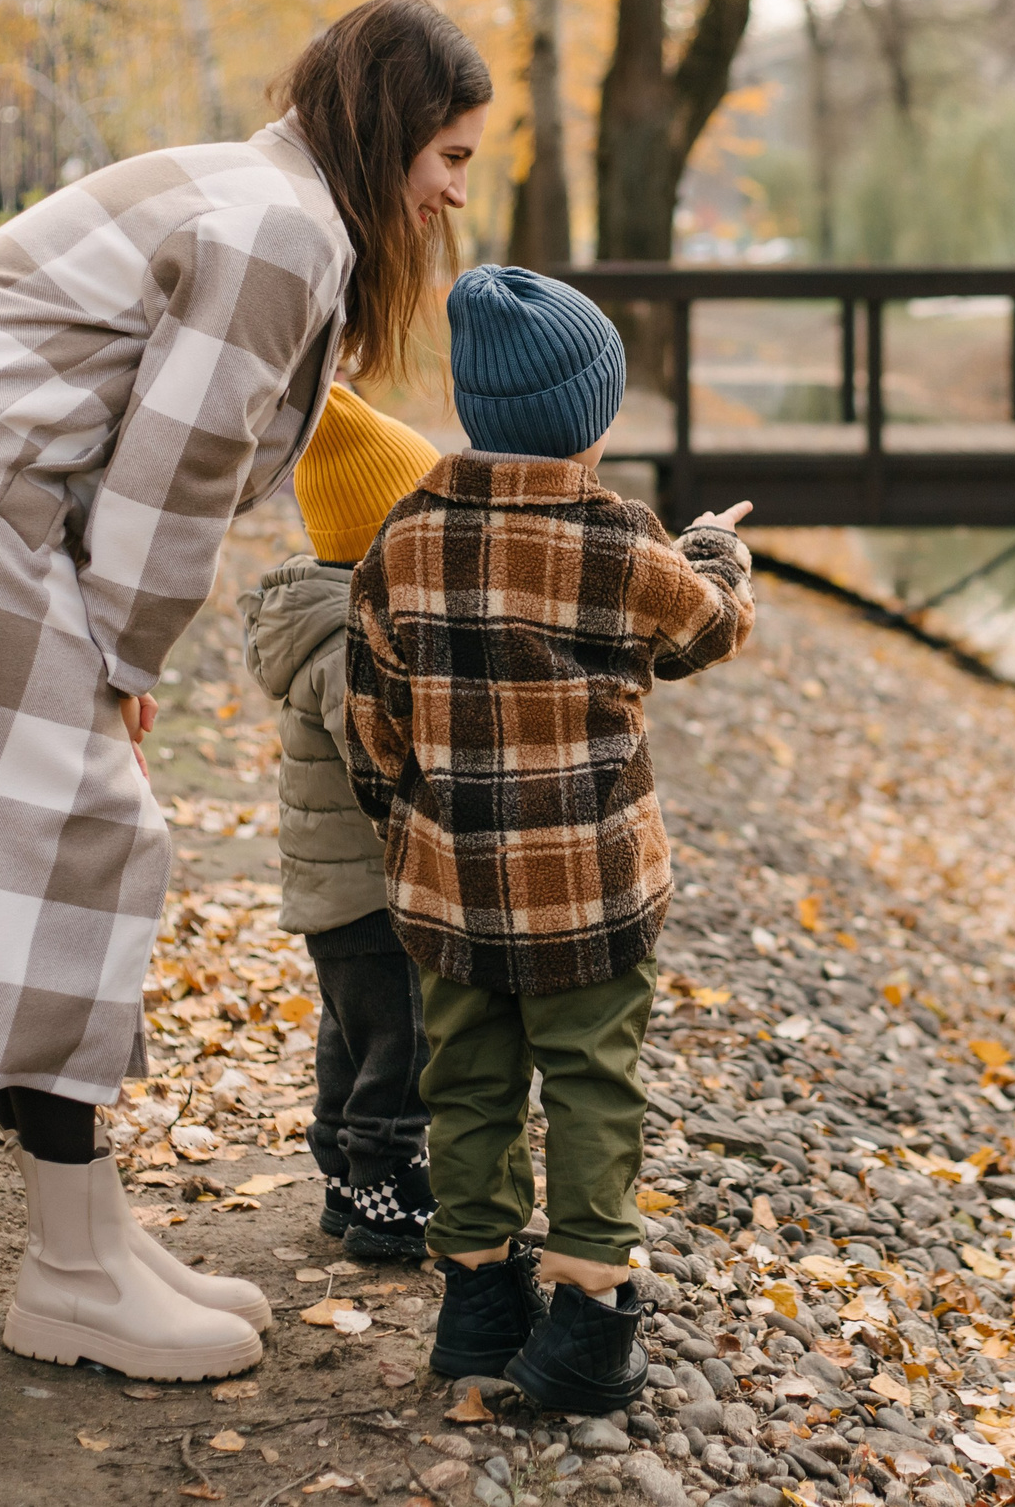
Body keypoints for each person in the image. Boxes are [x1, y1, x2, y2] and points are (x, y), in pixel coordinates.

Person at [0, 0, 492, 1383]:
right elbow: (171, 469)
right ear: (395, 131)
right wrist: (124, 656)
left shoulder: (262, 196)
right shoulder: (281, 231)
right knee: (94, 834)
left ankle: (94, 1230)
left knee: (76, 833)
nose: (452, 193)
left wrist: (111, 644)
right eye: (451, 157)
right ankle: (68, 1267)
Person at [344, 265, 755, 1413]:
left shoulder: (406, 534)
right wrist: (715, 548)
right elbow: (705, 630)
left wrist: (409, 829)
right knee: (590, 1082)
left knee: (465, 1085)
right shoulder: (620, 537)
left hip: (452, 887)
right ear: (591, 416)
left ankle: (477, 1304)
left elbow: (371, 713)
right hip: (591, 891)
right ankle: (585, 1316)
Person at [241, 383, 441, 1262]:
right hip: (372, 893)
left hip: (333, 892)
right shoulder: (349, 647)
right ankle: (386, 1196)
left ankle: (340, 1173)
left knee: (352, 1037)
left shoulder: (321, 620)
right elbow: (382, 764)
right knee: (402, 1049)